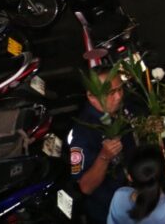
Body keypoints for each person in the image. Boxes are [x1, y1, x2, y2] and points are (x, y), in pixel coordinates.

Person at [69, 70, 136, 224]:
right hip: (109, 211)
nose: (118, 97)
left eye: (120, 89)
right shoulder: (82, 133)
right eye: (111, 93)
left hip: (134, 198)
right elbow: (85, 187)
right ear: (91, 96)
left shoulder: (119, 109)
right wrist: (104, 157)